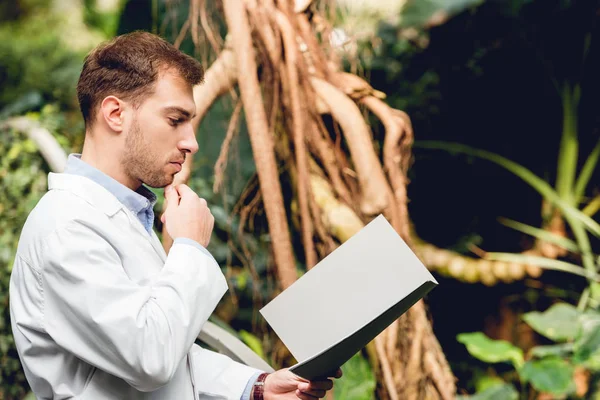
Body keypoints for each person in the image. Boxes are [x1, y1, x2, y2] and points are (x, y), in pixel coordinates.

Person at [9, 31, 340, 400]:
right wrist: (188, 246)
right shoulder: (66, 227)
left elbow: (170, 350)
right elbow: (149, 357)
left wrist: (256, 386)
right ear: (115, 113)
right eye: (175, 119)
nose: (191, 142)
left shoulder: (126, 214)